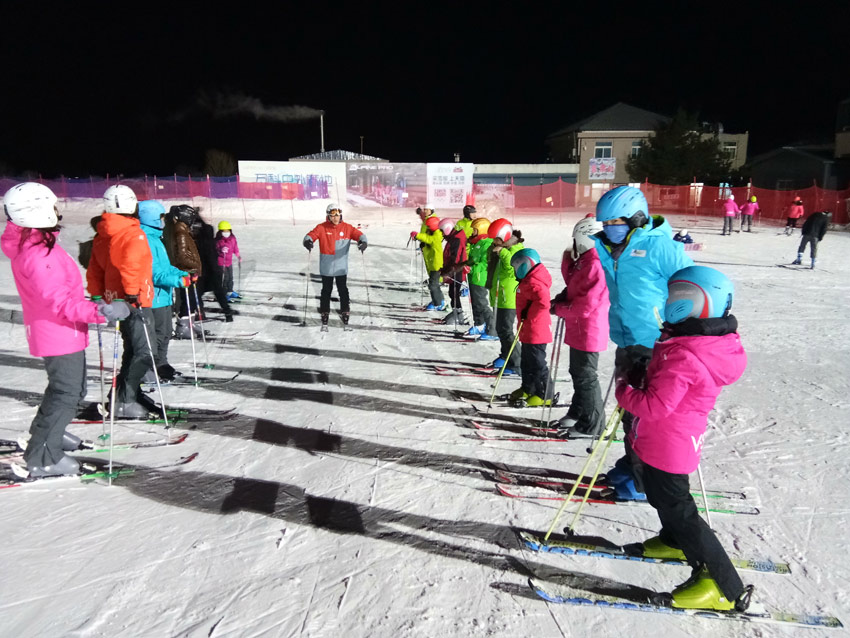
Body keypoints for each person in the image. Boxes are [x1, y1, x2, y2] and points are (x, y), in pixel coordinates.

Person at [616, 265, 752, 612]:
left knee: (680, 510)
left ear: (707, 304)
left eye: (684, 296)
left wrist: (624, 389)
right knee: (664, 500)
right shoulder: (692, 340)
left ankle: (722, 585)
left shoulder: (686, 352)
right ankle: (674, 541)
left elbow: (656, 405)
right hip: (667, 440)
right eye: (673, 294)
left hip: (669, 442)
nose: (673, 302)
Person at [2, 183, 130, 477]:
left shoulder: (36, 244)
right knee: (66, 393)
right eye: (53, 206)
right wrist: (101, 311)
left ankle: (52, 435)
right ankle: (43, 455)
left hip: (61, 331)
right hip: (58, 332)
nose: (58, 211)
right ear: (38, 211)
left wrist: (94, 305)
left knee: (71, 390)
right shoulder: (39, 255)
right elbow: (60, 302)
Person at [592, 186, 693, 499]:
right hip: (627, 340)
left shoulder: (660, 247)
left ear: (636, 217)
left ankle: (643, 482)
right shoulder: (608, 248)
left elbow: (689, 286)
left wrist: (678, 328)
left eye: (616, 222)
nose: (610, 230)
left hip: (654, 344)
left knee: (643, 418)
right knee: (628, 411)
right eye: (605, 225)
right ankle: (632, 463)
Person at [87, 185, 158, 419]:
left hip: (115, 299)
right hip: (133, 300)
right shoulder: (132, 233)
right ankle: (123, 400)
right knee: (145, 351)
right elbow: (131, 265)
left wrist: (98, 295)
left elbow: (95, 269)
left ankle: (127, 393)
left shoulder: (103, 234)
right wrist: (133, 294)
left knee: (133, 349)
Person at [551, 217, 610, 436]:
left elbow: (587, 304)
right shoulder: (585, 260)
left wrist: (559, 309)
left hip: (589, 328)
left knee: (586, 374)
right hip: (579, 327)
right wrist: (561, 299)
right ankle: (578, 412)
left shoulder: (595, 263)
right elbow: (573, 286)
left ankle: (592, 424)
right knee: (578, 372)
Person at [138, 200, 192, 383]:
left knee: (166, 332)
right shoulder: (144, 239)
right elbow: (153, 272)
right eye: (160, 217)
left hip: (164, 295)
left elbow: (165, 267)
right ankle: (150, 367)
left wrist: (182, 274)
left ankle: (162, 363)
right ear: (151, 217)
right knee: (157, 335)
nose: (163, 221)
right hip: (153, 298)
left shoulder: (155, 238)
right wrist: (177, 280)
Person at [304, 203, 367, 330]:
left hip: (341, 267)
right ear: (328, 216)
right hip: (326, 267)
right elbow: (311, 235)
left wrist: (362, 242)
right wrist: (308, 241)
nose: (335, 218)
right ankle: (325, 310)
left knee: (343, 289)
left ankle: (345, 309)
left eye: (337, 215)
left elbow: (359, 235)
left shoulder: (347, 228)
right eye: (332, 215)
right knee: (326, 290)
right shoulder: (322, 227)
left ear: (340, 215)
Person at [508, 248, 553, 406]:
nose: (515, 271)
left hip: (536, 330)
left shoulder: (535, 282)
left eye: (516, 267)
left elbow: (544, 303)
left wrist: (529, 312)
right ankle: (528, 388)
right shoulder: (528, 281)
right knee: (526, 363)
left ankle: (545, 395)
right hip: (528, 329)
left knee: (537, 363)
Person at [488, 219, 524, 373]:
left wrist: (501, 252)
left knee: (506, 330)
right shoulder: (502, 247)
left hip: (509, 296)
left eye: (496, 239)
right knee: (500, 328)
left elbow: (512, 269)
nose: (494, 242)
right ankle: (506, 356)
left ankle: (516, 363)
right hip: (501, 294)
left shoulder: (515, 249)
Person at [187, 207, 234, 322]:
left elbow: (205, 229)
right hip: (209, 269)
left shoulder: (200, 238)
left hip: (207, 269)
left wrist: (196, 215)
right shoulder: (206, 235)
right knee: (214, 293)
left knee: (202, 293)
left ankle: (223, 312)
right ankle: (224, 312)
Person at [163, 205, 203, 339]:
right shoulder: (180, 232)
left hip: (188, 270)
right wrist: (195, 265)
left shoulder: (182, 230)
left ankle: (190, 323)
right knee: (187, 298)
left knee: (191, 298)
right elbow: (182, 255)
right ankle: (183, 326)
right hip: (186, 270)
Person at [465, 218, 497, 340]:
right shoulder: (476, 243)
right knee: (475, 303)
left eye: (475, 230)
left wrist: (472, 268)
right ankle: (479, 324)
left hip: (480, 278)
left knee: (482, 304)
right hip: (473, 277)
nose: (472, 232)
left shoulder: (487, 244)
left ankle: (492, 329)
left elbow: (485, 263)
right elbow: (473, 259)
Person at [411, 216, 444, 311]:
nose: (427, 229)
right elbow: (427, 240)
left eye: (429, 227)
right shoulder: (433, 234)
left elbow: (429, 239)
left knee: (433, 284)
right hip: (431, 263)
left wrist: (418, 235)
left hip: (436, 265)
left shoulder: (437, 235)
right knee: (434, 284)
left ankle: (438, 303)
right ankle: (439, 300)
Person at [439, 217, 468, 325]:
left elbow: (455, 258)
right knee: (452, 293)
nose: (442, 234)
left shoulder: (456, 239)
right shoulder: (453, 238)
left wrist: (448, 271)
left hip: (457, 270)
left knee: (454, 292)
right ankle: (456, 311)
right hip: (454, 269)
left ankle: (459, 313)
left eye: (442, 231)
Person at [215, 221, 241, 300]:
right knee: (224, 278)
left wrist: (238, 255)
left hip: (229, 262)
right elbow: (214, 250)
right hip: (221, 262)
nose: (226, 232)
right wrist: (221, 250)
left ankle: (230, 291)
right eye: (224, 231)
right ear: (220, 232)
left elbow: (235, 247)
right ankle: (224, 293)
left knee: (230, 277)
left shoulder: (232, 238)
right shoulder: (218, 240)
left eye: (228, 230)